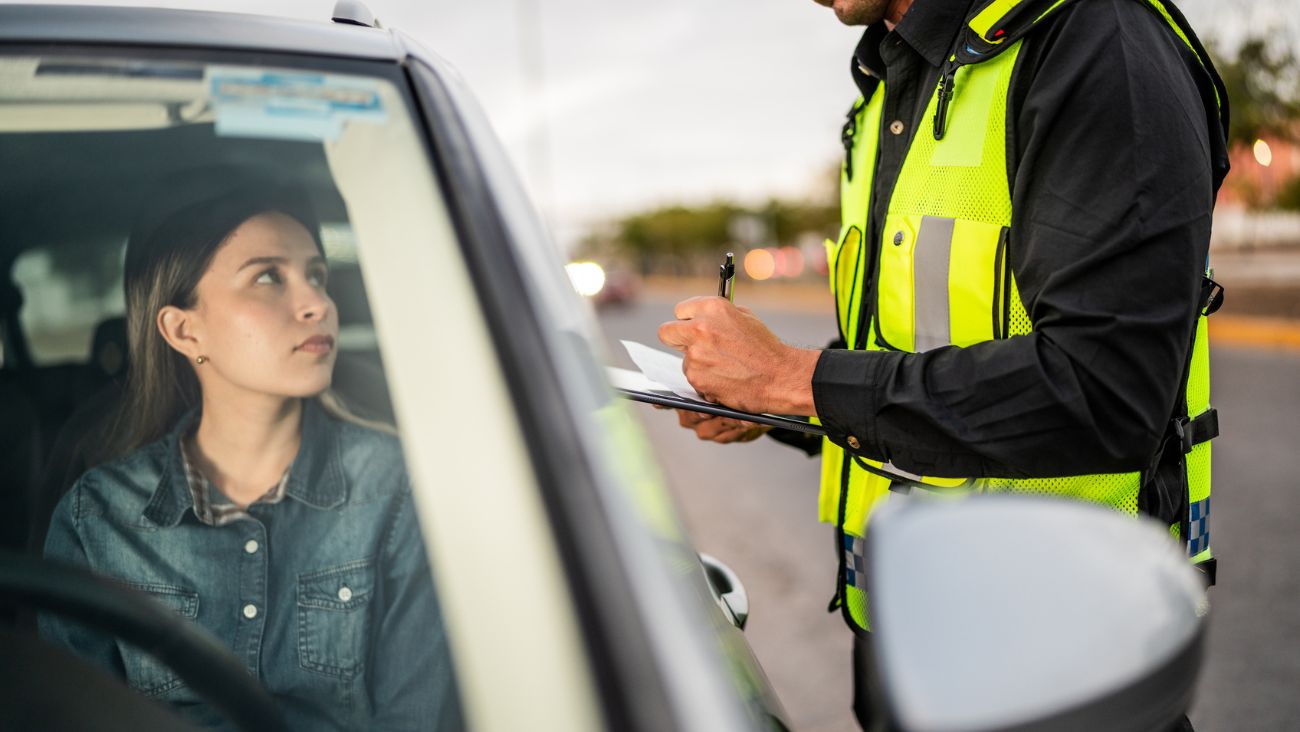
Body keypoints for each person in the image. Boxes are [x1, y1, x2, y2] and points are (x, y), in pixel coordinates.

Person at [658, 0, 1228, 728]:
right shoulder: (890, 87)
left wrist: (792, 378)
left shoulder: (1091, 38)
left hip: (1063, 665)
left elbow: (1105, 388)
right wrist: (774, 400)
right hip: (909, 646)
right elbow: (913, 355)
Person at [37, 179, 463, 730]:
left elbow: (416, 718)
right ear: (186, 331)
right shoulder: (96, 519)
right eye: (268, 277)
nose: (317, 304)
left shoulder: (397, 487)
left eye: (316, 275)